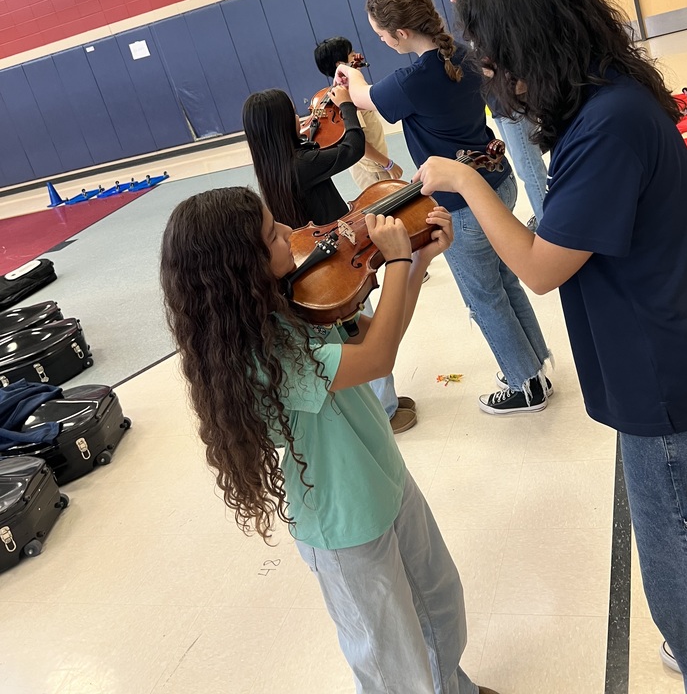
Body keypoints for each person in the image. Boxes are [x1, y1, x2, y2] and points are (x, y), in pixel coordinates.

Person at [415, 0, 687, 691]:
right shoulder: (609, 99)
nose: (488, 68)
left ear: (531, 40)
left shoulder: (607, 124)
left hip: (674, 399)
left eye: (493, 51)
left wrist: (465, 185)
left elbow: (542, 266)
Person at [159, 186, 500, 694]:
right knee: (390, 659)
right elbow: (378, 359)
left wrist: (418, 261)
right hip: (344, 521)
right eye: (273, 234)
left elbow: (378, 333)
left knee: (439, 601)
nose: (292, 236)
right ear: (239, 265)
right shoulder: (258, 354)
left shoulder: (293, 301)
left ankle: (453, 686)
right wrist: (399, 261)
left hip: (384, 478)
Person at [334, 0, 551, 414]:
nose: (382, 42)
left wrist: (348, 81)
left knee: (483, 296)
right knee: (504, 279)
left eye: (382, 35)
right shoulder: (465, 56)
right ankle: (535, 366)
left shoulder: (411, 80)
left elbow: (360, 96)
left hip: (462, 201)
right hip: (498, 183)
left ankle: (524, 383)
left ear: (400, 33)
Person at [242, 88, 417, 433]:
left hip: (322, 253)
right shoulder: (301, 164)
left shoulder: (275, 164)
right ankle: (386, 408)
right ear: (281, 124)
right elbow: (351, 148)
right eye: (293, 114)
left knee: (355, 327)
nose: (300, 119)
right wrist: (347, 106)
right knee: (365, 329)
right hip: (336, 256)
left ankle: (386, 400)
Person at [447, 0, 547, 230]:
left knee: (530, 169)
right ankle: (546, 214)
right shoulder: (477, 19)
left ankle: (549, 224)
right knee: (527, 165)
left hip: (513, 103)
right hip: (500, 105)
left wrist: (493, 71)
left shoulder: (499, 19)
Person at [314, 36, 403, 187]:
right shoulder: (347, 96)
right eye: (351, 53)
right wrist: (388, 164)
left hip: (372, 163)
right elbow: (359, 142)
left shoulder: (350, 90)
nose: (356, 55)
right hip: (372, 167)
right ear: (341, 64)